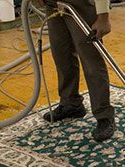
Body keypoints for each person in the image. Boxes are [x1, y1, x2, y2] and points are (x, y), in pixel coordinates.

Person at [43, 0, 115, 142]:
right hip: (52, 4)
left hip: (81, 4)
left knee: (91, 60)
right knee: (61, 55)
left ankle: (104, 115)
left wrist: (103, 16)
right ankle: (71, 103)